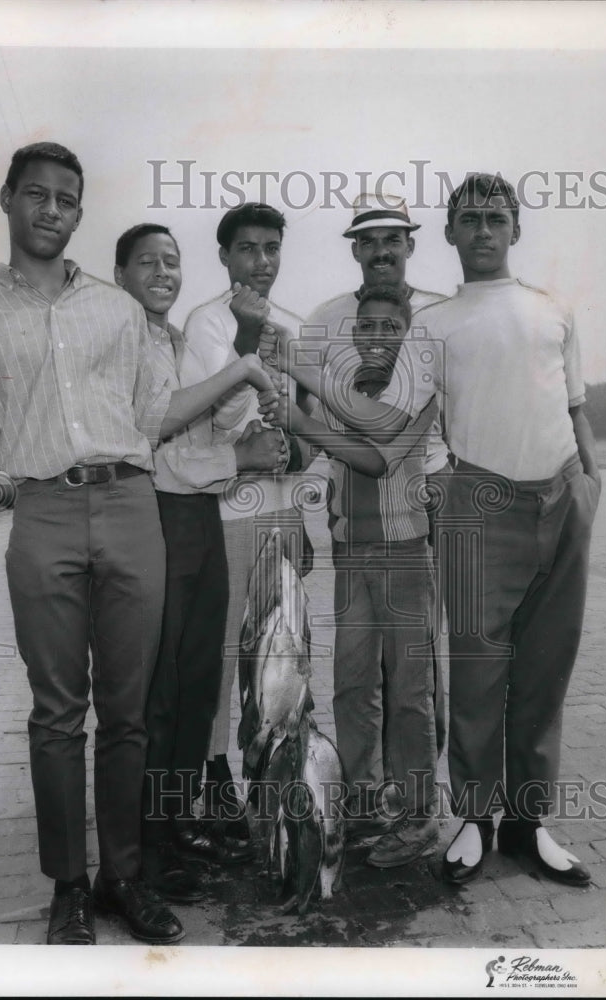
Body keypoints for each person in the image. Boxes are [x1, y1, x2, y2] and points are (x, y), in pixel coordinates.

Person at [0, 143, 283, 949]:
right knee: (57, 715)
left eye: (67, 200)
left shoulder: (118, 313)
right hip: (43, 514)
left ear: (79, 213)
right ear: (9, 199)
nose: (52, 211)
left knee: (128, 713)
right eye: (37, 196)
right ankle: (67, 887)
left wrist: (240, 371)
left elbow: (159, 415)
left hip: (131, 508)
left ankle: (124, 876)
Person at [260, 172, 600, 888]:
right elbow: (355, 430)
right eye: (468, 219)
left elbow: (569, 406)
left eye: (494, 218)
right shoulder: (380, 321)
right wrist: (298, 430)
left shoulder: (509, 311)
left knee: (500, 675)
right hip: (413, 517)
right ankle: (415, 815)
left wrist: (587, 485)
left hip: (493, 510)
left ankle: (494, 820)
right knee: (414, 677)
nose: (482, 231)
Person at [113, 223, 286, 897]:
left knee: (194, 683)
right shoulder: (120, 341)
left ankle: (178, 818)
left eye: (171, 261)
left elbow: (214, 421)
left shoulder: (179, 342)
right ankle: (147, 849)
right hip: (156, 517)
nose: (162, 272)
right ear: (121, 273)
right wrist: (237, 454)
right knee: (159, 693)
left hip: (198, 516)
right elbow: (153, 445)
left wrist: (243, 372)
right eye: (146, 262)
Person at [267, 284, 441, 866]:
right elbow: (309, 456)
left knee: (409, 692)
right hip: (351, 555)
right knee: (352, 683)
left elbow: (376, 455)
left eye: (390, 329)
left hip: (404, 556)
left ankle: (418, 817)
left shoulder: (420, 391)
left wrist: (301, 414)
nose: (375, 339)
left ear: (408, 336)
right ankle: (367, 803)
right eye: (365, 328)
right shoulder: (339, 393)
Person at [179, 202, 308, 838]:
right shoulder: (205, 324)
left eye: (272, 248)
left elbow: (307, 434)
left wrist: (299, 477)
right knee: (225, 649)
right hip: (227, 511)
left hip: (284, 513)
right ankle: (214, 772)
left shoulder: (294, 324)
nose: (262, 261)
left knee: (280, 649)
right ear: (225, 256)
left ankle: (271, 768)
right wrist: (248, 344)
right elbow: (209, 425)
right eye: (249, 248)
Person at [306, 192, 448, 763]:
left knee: (413, 670)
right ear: (356, 249)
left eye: (393, 238)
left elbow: (398, 438)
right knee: (354, 674)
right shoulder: (327, 318)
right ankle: (363, 797)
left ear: (411, 243)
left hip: (420, 511)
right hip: (352, 530)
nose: (381, 250)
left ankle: (413, 802)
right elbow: (319, 430)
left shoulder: (439, 313)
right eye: (368, 240)